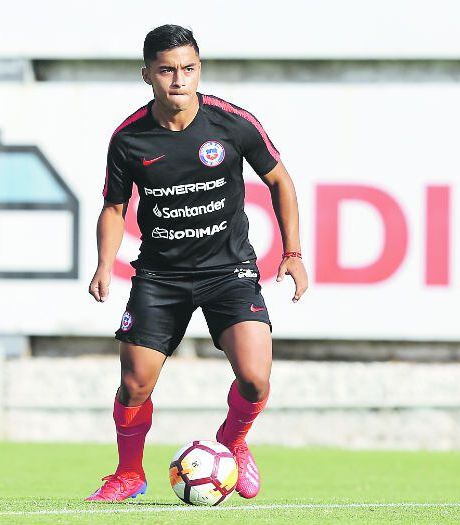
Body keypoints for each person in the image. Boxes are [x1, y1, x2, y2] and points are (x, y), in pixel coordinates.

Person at [86, 24, 308, 502]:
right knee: (134, 384)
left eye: (188, 69)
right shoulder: (129, 138)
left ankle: (233, 441)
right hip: (160, 276)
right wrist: (105, 263)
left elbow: (281, 182)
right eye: (167, 70)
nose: (179, 80)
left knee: (255, 378)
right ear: (147, 74)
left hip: (228, 272)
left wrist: (292, 253)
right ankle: (129, 474)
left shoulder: (232, 123)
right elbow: (114, 207)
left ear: (199, 70)